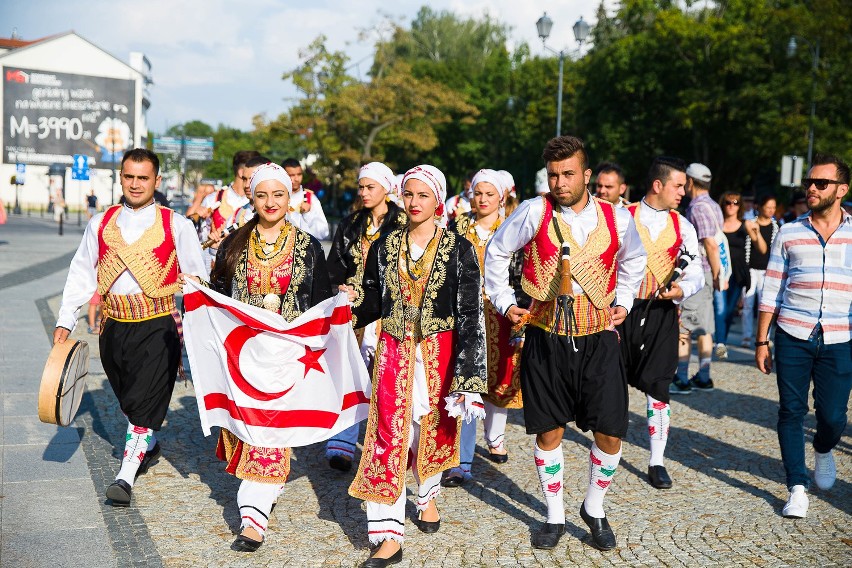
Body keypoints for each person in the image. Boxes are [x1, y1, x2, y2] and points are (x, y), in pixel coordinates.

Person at [485, 136, 646, 551]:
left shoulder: (617, 217)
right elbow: (497, 253)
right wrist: (505, 302)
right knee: (549, 431)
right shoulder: (532, 211)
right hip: (546, 336)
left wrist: (624, 302)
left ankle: (593, 507)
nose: (560, 182)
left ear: (587, 175)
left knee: (611, 432)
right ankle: (554, 515)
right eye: (554, 174)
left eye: (568, 173)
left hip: (599, 337)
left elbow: (634, 260)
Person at [348, 164, 487, 567]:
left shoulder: (458, 249)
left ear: (438, 200)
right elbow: (372, 302)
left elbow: (469, 314)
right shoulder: (385, 246)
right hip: (393, 353)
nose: (413, 202)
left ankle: (426, 497)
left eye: (422, 195)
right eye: (408, 194)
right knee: (387, 436)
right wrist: (343, 305)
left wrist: (469, 375)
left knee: (432, 430)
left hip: (437, 355)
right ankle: (387, 535)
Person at [53, 148, 208, 506]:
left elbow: (197, 278)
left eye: (143, 177)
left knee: (145, 398)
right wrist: (66, 317)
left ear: (156, 180)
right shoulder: (101, 223)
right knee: (128, 396)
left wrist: (199, 318)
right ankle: (149, 443)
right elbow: (81, 272)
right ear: (121, 178)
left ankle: (125, 474)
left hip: (158, 324)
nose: (135, 184)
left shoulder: (176, 224)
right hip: (113, 324)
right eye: (129, 176)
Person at [205, 163, 333, 551]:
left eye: (279, 194)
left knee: (270, 433)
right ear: (251, 197)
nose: (271, 202)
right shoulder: (233, 243)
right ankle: (263, 496)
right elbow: (219, 294)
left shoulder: (307, 246)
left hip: (288, 355)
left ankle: (253, 518)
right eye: (262, 195)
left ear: (290, 197)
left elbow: (321, 301)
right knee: (248, 431)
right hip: (244, 355)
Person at [755, 152, 852, 519]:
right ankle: (797, 486)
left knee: (832, 416)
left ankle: (824, 449)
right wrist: (761, 340)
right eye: (808, 182)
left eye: (820, 183)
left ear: (841, 189)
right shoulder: (789, 232)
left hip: (840, 337)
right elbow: (772, 290)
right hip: (792, 333)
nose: (811, 188)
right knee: (791, 411)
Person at [619, 157, 703, 489]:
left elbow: (695, 268)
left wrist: (682, 287)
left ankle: (656, 460)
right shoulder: (622, 218)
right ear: (658, 185)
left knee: (659, 387)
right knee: (613, 381)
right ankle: (608, 447)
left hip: (661, 313)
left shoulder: (683, 225)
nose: (684, 191)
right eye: (679, 185)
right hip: (622, 310)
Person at [324, 161, 407, 472]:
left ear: (386, 188)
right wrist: (339, 285)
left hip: (390, 309)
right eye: (361, 186)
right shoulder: (350, 224)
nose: (364, 192)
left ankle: (384, 445)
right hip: (356, 311)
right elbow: (336, 266)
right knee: (350, 372)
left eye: (370, 186)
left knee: (387, 379)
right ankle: (343, 443)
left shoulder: (402, 224)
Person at [443, 169, 523, 488]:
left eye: (490, 194)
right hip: (465, 314)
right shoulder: (458, 226)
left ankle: (495, 436)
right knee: (466, 382)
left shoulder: (513, 229)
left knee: (500, 377)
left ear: (501, 196)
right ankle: (462, 461)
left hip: (502, 313)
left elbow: (519, 273)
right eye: (478, 193)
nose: (483, 200)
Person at [670, 163, 723, 394]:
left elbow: (710, 244)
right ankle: (704, 376)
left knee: (685, 328)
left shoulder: (698, 208)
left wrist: (716, 272)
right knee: (705, 329)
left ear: (690, 181)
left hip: (699, 273)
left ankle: (681, 378)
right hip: (709, 274)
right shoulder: (713, 205)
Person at [712, 191, 766, 358]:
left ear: (740, 206)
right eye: (728, 202)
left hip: (739, 274)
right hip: (720, 272)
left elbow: (762, 249)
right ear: (723, 204)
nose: (731, 206)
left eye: (735, 202)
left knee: (728, 311)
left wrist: (756, 234)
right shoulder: (716, 224)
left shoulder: (746, 224)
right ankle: (720, 344)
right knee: (720, 308)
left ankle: (722, 339)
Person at [741, 195, 779, 347]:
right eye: (768, 207)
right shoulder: (751, 224)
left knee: (765, 305)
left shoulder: (777, 227)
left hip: (767, 271)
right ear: (760, 207)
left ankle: (765, 337)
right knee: (747, 304)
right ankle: (746, 336)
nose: (771, 210)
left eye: (773, 207)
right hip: (750, 269)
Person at [281, 158, 330, 240]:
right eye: (291, 175)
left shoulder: (310, 198)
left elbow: (323, 232)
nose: (296, 179)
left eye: (299, 174)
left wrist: (308, 214)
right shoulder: (275, 198)